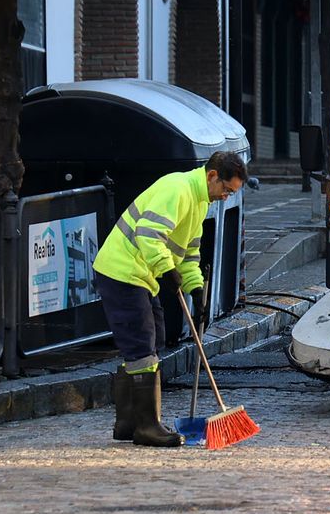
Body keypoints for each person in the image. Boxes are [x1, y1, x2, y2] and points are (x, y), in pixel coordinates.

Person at [93, 151, 247, 447]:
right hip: (122, 271)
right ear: (212, 175)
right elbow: (149, 234)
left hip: (140, 275)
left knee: (155, 338)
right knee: (141, 342)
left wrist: (196, 288)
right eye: (227, 190)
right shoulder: (178, 189)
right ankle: (147, 427)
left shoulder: (200, 201)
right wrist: (167, 270)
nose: (227, 197)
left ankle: (128, 422)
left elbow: (189, 252)